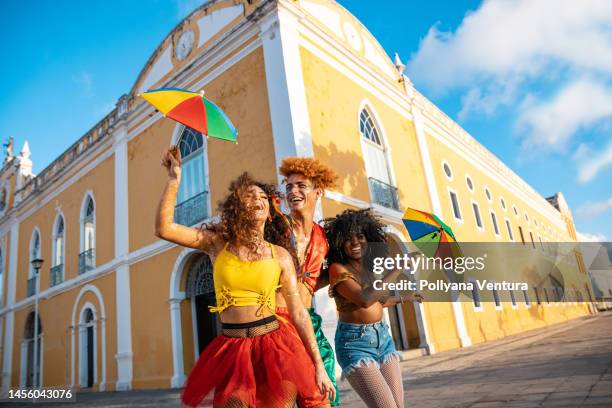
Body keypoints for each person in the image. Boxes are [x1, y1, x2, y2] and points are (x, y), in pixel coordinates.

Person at [155, 147, 335, 407]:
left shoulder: (280, 255)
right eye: (250, 196)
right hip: (232, 347)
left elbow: (299, 314)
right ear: (237, 206)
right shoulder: (217, 244)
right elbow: (164, 228)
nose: (259, 200)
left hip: (276, 346)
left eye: (263, 196)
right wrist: (174, 181)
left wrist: (318, 365)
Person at [324, 209, 422, 408]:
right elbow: (365, 300)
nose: (355, 243)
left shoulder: (368, 269)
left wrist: (405, 298)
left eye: (360, 236)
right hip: (355, 344)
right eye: (348, 238)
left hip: (383, 339)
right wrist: (399, 266)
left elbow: (378, 302)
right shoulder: (337, 269)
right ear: (339, 242)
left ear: (368, 238)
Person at [273, 157, 341, 406]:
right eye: (289, 186)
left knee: (323, 397)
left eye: (301, 185)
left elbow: (312, 281)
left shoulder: (323, 238)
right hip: (277, 323)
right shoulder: (276, 227)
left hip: (309, 321)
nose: (293, 191)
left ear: (318, 191)